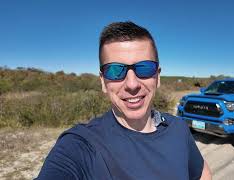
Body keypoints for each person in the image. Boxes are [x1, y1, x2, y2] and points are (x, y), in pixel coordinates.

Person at [36, 21, 212, 179]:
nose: (132, 84)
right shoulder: (81, 145)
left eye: (144, 68)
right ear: (103, 82)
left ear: (157, 77)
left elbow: (203, 173)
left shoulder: (178, 129)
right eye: (115, 71)